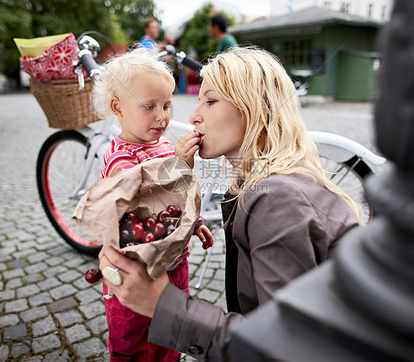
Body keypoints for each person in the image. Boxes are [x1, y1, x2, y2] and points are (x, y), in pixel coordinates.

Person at [98, 47, 361, 360]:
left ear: (252, 108)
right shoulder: (266, 181)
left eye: (210, 100)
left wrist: (161, 304)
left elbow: (285, 345)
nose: (193, 116)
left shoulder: (276, 199)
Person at [91, 48, 214, 361]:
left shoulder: (162, 147)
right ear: (117, 107)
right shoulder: (121, 157)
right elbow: (143, 203)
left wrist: (194, 223)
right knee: (132, 341)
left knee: (172, 336)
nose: (162, 116)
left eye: (167, 105)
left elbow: (174, 206)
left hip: (174, 264)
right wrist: (179, 164)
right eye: (150, 106)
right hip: (136, 272)